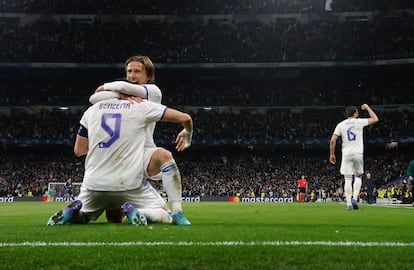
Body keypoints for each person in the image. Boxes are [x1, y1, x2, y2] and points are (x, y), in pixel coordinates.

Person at [47, 92, 193, 226]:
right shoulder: (139, 105)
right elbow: (185, 118)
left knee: (89, 216)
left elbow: (79, 150)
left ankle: (74, 213)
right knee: (166, 213)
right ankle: (144, 213)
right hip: (127, 183)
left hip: (94, 184)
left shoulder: (91, 110)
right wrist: (188, 131)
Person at [89, 55, 191, 225]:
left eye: (137, 71)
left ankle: (178, 212)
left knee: (164, 156)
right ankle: (137, 211)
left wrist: (116, 92)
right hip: (121, 155)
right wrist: (122, 97)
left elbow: (107, 89)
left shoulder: (153, 91)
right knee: (114, 218)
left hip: (144, 151)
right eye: (129, 71)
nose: (132, 75)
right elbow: (94, 96)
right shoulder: (122, 95)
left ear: (149, 76)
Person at [329, 104, 379, 210]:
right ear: (355, 113)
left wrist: (332, 154)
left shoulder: (340, 125)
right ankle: (355, 199)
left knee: (347, 178)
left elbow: (333, 140)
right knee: (358, 176)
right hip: (358, 153)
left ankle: (348, 204)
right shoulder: (359, 121)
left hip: (346, 154)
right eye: (357, 112)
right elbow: (375, 119)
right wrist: (367, 107)